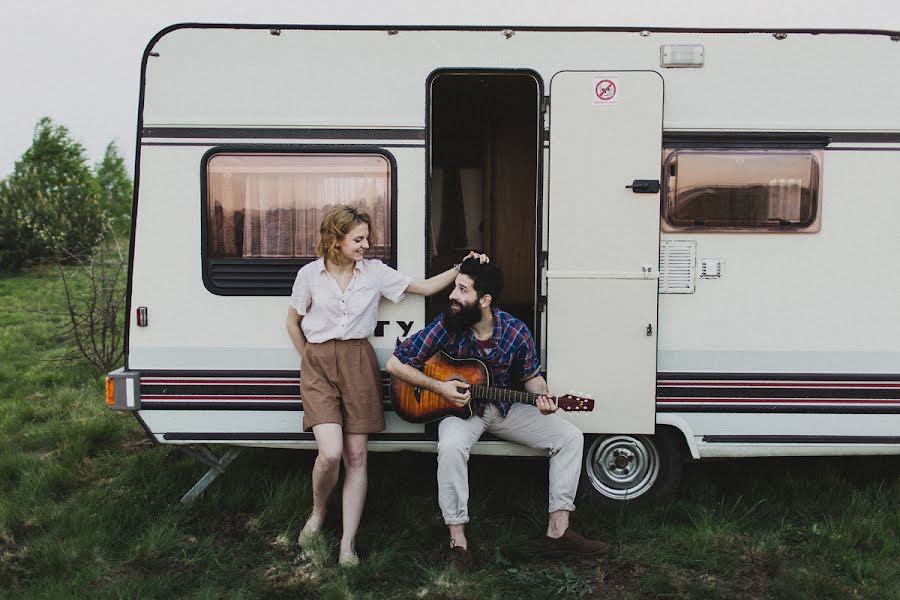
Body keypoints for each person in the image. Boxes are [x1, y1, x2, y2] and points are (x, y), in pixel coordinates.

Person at [286, 205, 487, 566]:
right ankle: (318, 513)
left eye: (367, 238)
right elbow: (292, 323)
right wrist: (309, 360)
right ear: (336, 239)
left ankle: (347, 543)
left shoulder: (375, 273)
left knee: (358, 456)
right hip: (317, 362)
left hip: (359, 362)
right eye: (358, 239)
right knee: (330, 454)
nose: (366, 245)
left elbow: (424, 288)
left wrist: (462, 267)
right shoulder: (310, 275)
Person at [386, 258, 609, 572]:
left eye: (462, 290)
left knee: (570, 437)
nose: (453, 295)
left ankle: (558, 532)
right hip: (460, 411)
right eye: (455, 287)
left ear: (484, 300)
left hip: (503, 409)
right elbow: (396, 365)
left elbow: (533, 378)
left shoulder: (515, 331)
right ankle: (458, 542)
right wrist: (440, 387)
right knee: (450, 448)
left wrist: (543, 397)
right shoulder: (448, 323)